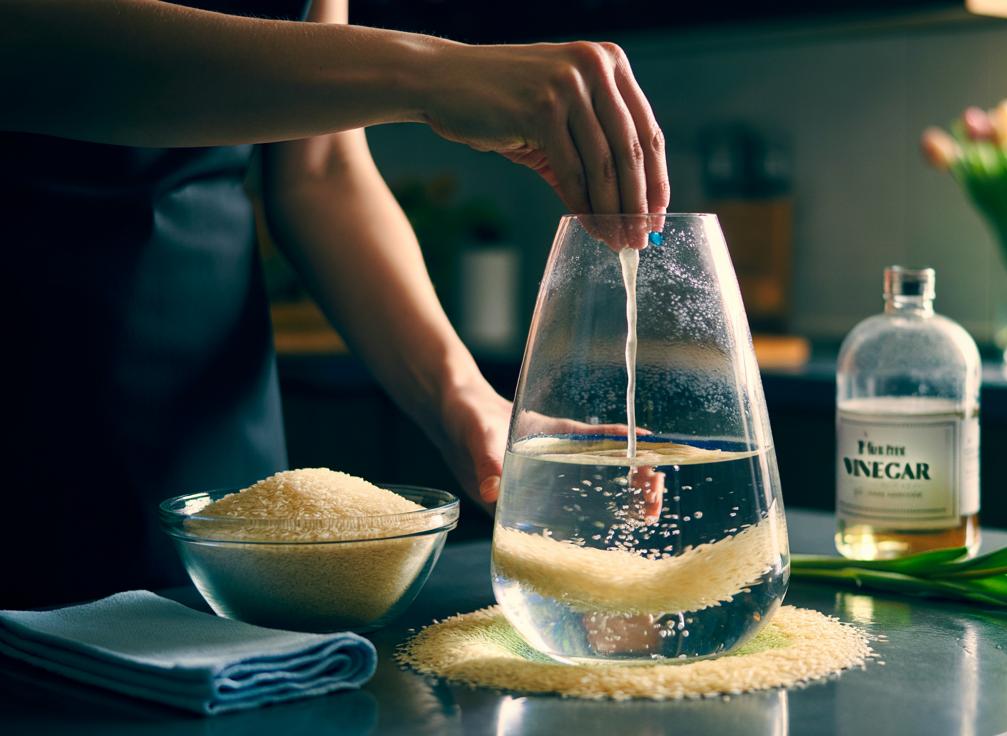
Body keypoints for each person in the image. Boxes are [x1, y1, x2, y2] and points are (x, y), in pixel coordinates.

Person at [0, 0, 669, 608]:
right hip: (27, 343)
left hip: (208, 394)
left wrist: (464, 398)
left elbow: (320, 170)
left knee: (212, 646)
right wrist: (428, 73)